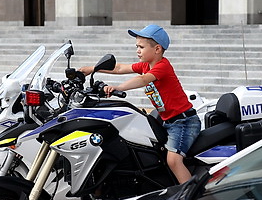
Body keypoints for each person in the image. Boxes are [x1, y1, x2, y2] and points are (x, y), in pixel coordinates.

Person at [79, 24, 201, 184]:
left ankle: (191, 197)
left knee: (173, 160)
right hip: (166, 121)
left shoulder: (162, 66)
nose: (137, 50)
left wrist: (118, 87)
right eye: (137, 46)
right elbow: (119, 68)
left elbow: (143, 79)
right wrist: (92, 69)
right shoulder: (145, 65)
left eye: (141, 47)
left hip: (183, 122)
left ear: (157, 49)